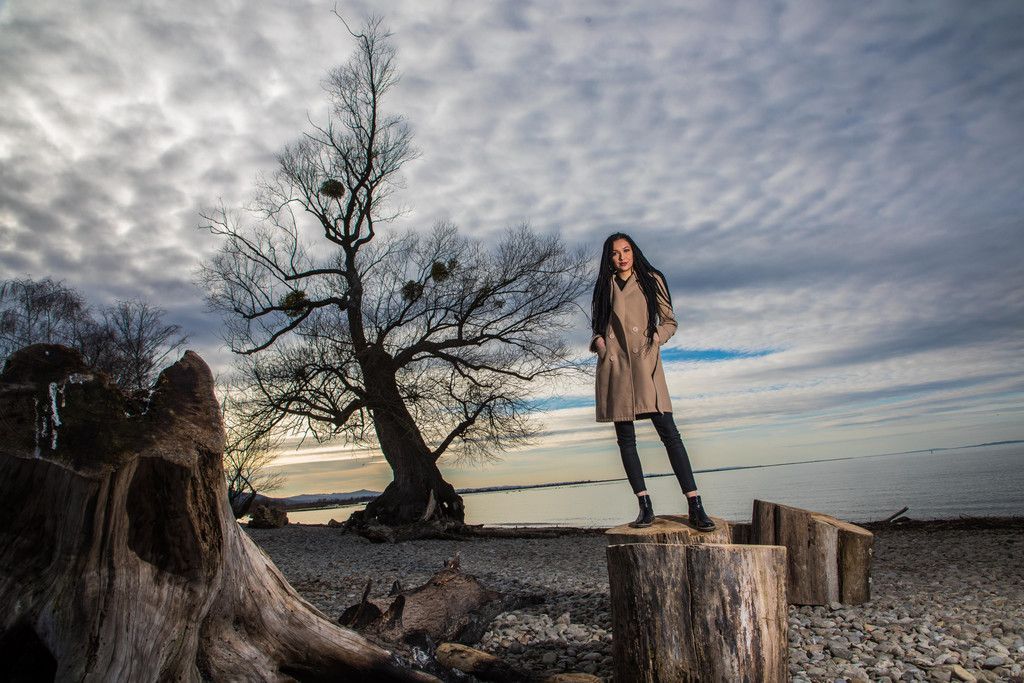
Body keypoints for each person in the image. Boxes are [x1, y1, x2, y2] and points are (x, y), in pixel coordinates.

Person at [589, 233, 716, 531]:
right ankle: (644, 505)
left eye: (626, 250)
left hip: (645, 363)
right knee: (626, 440)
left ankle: (695, 504)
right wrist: (600, 344)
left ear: (634, 252)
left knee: (670, 433)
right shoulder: (604, 286)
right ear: (609, 258)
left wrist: (656, 338)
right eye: (616, 253)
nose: (622, 257)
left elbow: (669, 321)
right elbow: (597, 327)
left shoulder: (651, 279)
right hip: (616, 366)